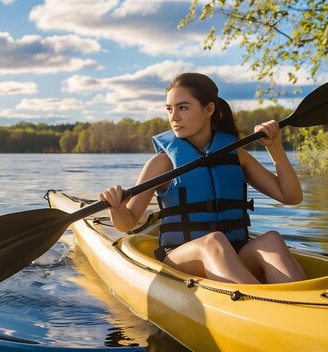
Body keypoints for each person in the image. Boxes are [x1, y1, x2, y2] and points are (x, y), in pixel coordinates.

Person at [100, 73, 306, 284]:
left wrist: (275, 147)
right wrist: (116, 208)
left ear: (209, 109)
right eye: (170, 109)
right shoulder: (161, 164)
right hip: (181, 257)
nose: (174, 117)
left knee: (272, 240)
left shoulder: (236, 156)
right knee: (213, 242)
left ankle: (304, 303)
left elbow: (290, 196)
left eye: (183, 107)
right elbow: (127, 223)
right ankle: (261, 307)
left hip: (234, 253)